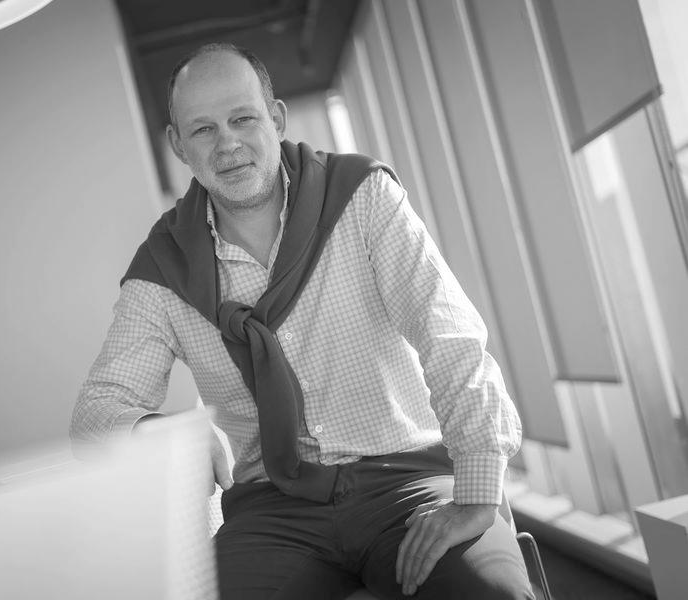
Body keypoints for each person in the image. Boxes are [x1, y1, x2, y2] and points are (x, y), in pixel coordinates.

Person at [70, 42, 533, 600]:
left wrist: (477, 493)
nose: (227, 144)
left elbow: (449, 337)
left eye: (243, 118)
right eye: (203, 129)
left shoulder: (362, 196)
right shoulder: (162, 268)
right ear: (178, 146)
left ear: (277, 118)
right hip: (273, 512)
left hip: (408, 478)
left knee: (493, 594)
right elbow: (96, 412)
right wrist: (161, 431)